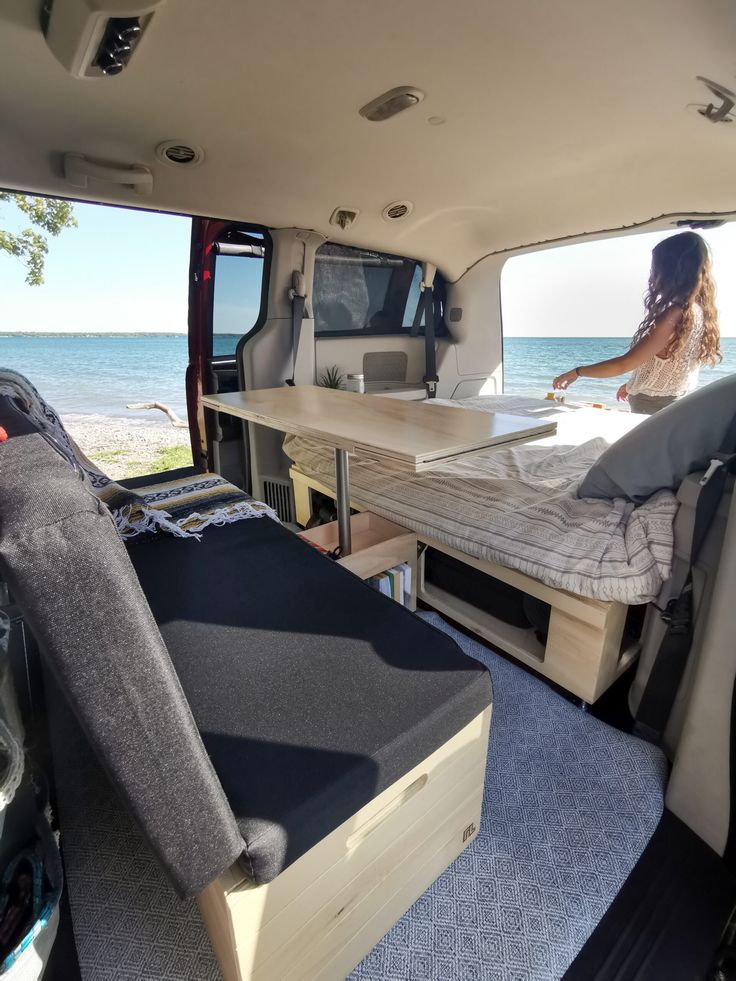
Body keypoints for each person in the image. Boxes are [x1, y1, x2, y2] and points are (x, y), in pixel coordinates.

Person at [552, 231, 721, 414]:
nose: (652, 274)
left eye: (655, 267)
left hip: (652, 409)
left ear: (669, 271)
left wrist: (577, 372)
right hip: (674, 405)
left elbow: (623, 364)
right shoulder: (699, 312)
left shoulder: (674, 315)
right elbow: (672, 365)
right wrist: (634, 384)